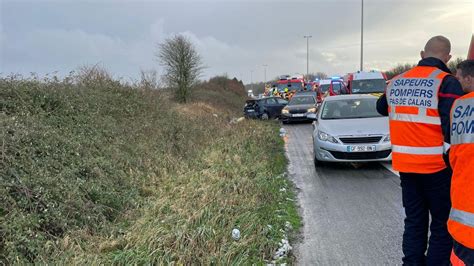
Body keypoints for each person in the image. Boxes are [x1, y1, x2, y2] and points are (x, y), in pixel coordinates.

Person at [376, 36, 465, 264]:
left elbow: (381, 107)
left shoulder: (397, 81)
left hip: (406, 167)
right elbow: (452, 127)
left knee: (414, 221)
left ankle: (412, 262)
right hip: (438, 168)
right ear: (448, 57)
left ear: (422, 54)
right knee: (441, 223)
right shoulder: (447, 82)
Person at [448, 59, 474, 265]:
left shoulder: (460, 105)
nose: (456, 82)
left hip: (464, 209)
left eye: (459, 78)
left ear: (469, 78)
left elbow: (455, 155)